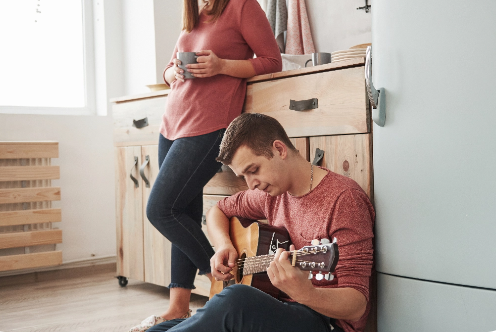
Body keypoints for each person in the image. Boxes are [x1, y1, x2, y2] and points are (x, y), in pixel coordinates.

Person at [128, 0, 282, 331]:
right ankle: (178, 306)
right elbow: (167, 70)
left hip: (210, 125)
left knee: (161, 210)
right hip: (173, 125)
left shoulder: (242, 4)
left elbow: (271, 61)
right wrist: (173, 72)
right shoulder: (195, 16)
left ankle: (227, 276)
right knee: (181, 210)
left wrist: (223, 66)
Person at [146, 113, 375, 332]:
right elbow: (218, 210)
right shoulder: (272, 194)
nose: (251, 184)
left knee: (234, 301)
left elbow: (357, 306)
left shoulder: (345, 200)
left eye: (253, 170)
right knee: (169, 326)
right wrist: (225, 245)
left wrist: (306, 293)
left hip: (325, 322)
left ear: (279, 149)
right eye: (243, 176)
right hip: (274, 307)